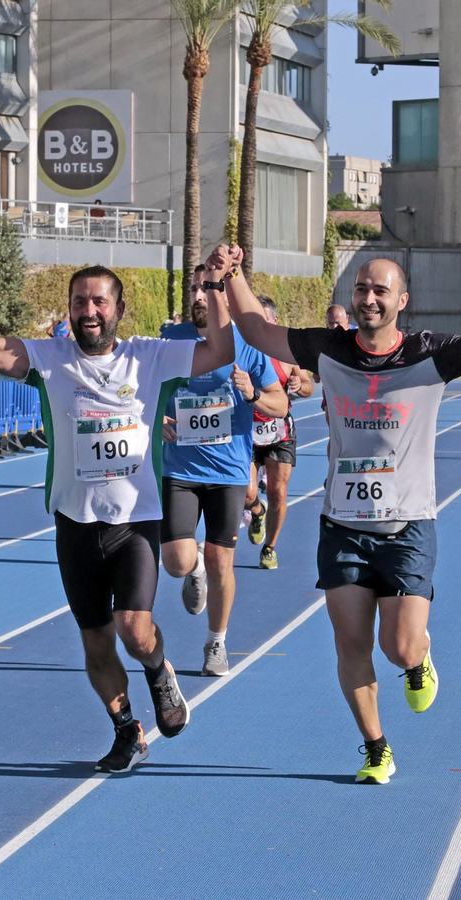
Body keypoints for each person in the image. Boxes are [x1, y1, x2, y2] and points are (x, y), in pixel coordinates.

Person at [228, 249, 461, 785]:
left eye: (380, 291)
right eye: (361, 289)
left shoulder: (430, 353)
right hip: (342, 526)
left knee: (396, 647)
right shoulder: (329, 347)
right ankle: (376, 749)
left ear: (402, 300)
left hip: (407, 527)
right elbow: (257, 330)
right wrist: (232, 273)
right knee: (350, 644)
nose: (368, 298)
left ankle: (418, 658)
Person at [0, 238, 238, 774]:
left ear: (119, 309)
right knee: (96, 642)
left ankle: (159, 671)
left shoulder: (150, 356)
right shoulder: (49, 357)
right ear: (69, 311)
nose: (89, 311)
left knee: (135, 628)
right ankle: (127, 731)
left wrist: (217, 287)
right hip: (75, 522)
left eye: (99, 301)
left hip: (134, 521)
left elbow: (220, 352)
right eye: (80, 302)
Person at [159, 266, 286, 678]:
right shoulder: (169, 339)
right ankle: (191, 568)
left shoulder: (248, 346)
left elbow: (279, 404)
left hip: (228, 471)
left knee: (222, 562)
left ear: (223, 296)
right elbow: (136, 389)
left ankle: (216, 643)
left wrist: (252, 392)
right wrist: (154, 414)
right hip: (179, 466)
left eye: (207, 288)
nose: (199, 295)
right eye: (194, 288)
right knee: (177, 562)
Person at [246, 294, 313, 565]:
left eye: (262, 320)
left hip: (279, 433)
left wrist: (299, 386)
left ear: (274, 321)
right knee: (247, 492)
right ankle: (256, 512)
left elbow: (308, 385)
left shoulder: (286, 354)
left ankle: (270, 548)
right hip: (246, 432)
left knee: (278, 493)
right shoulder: (242, 350)